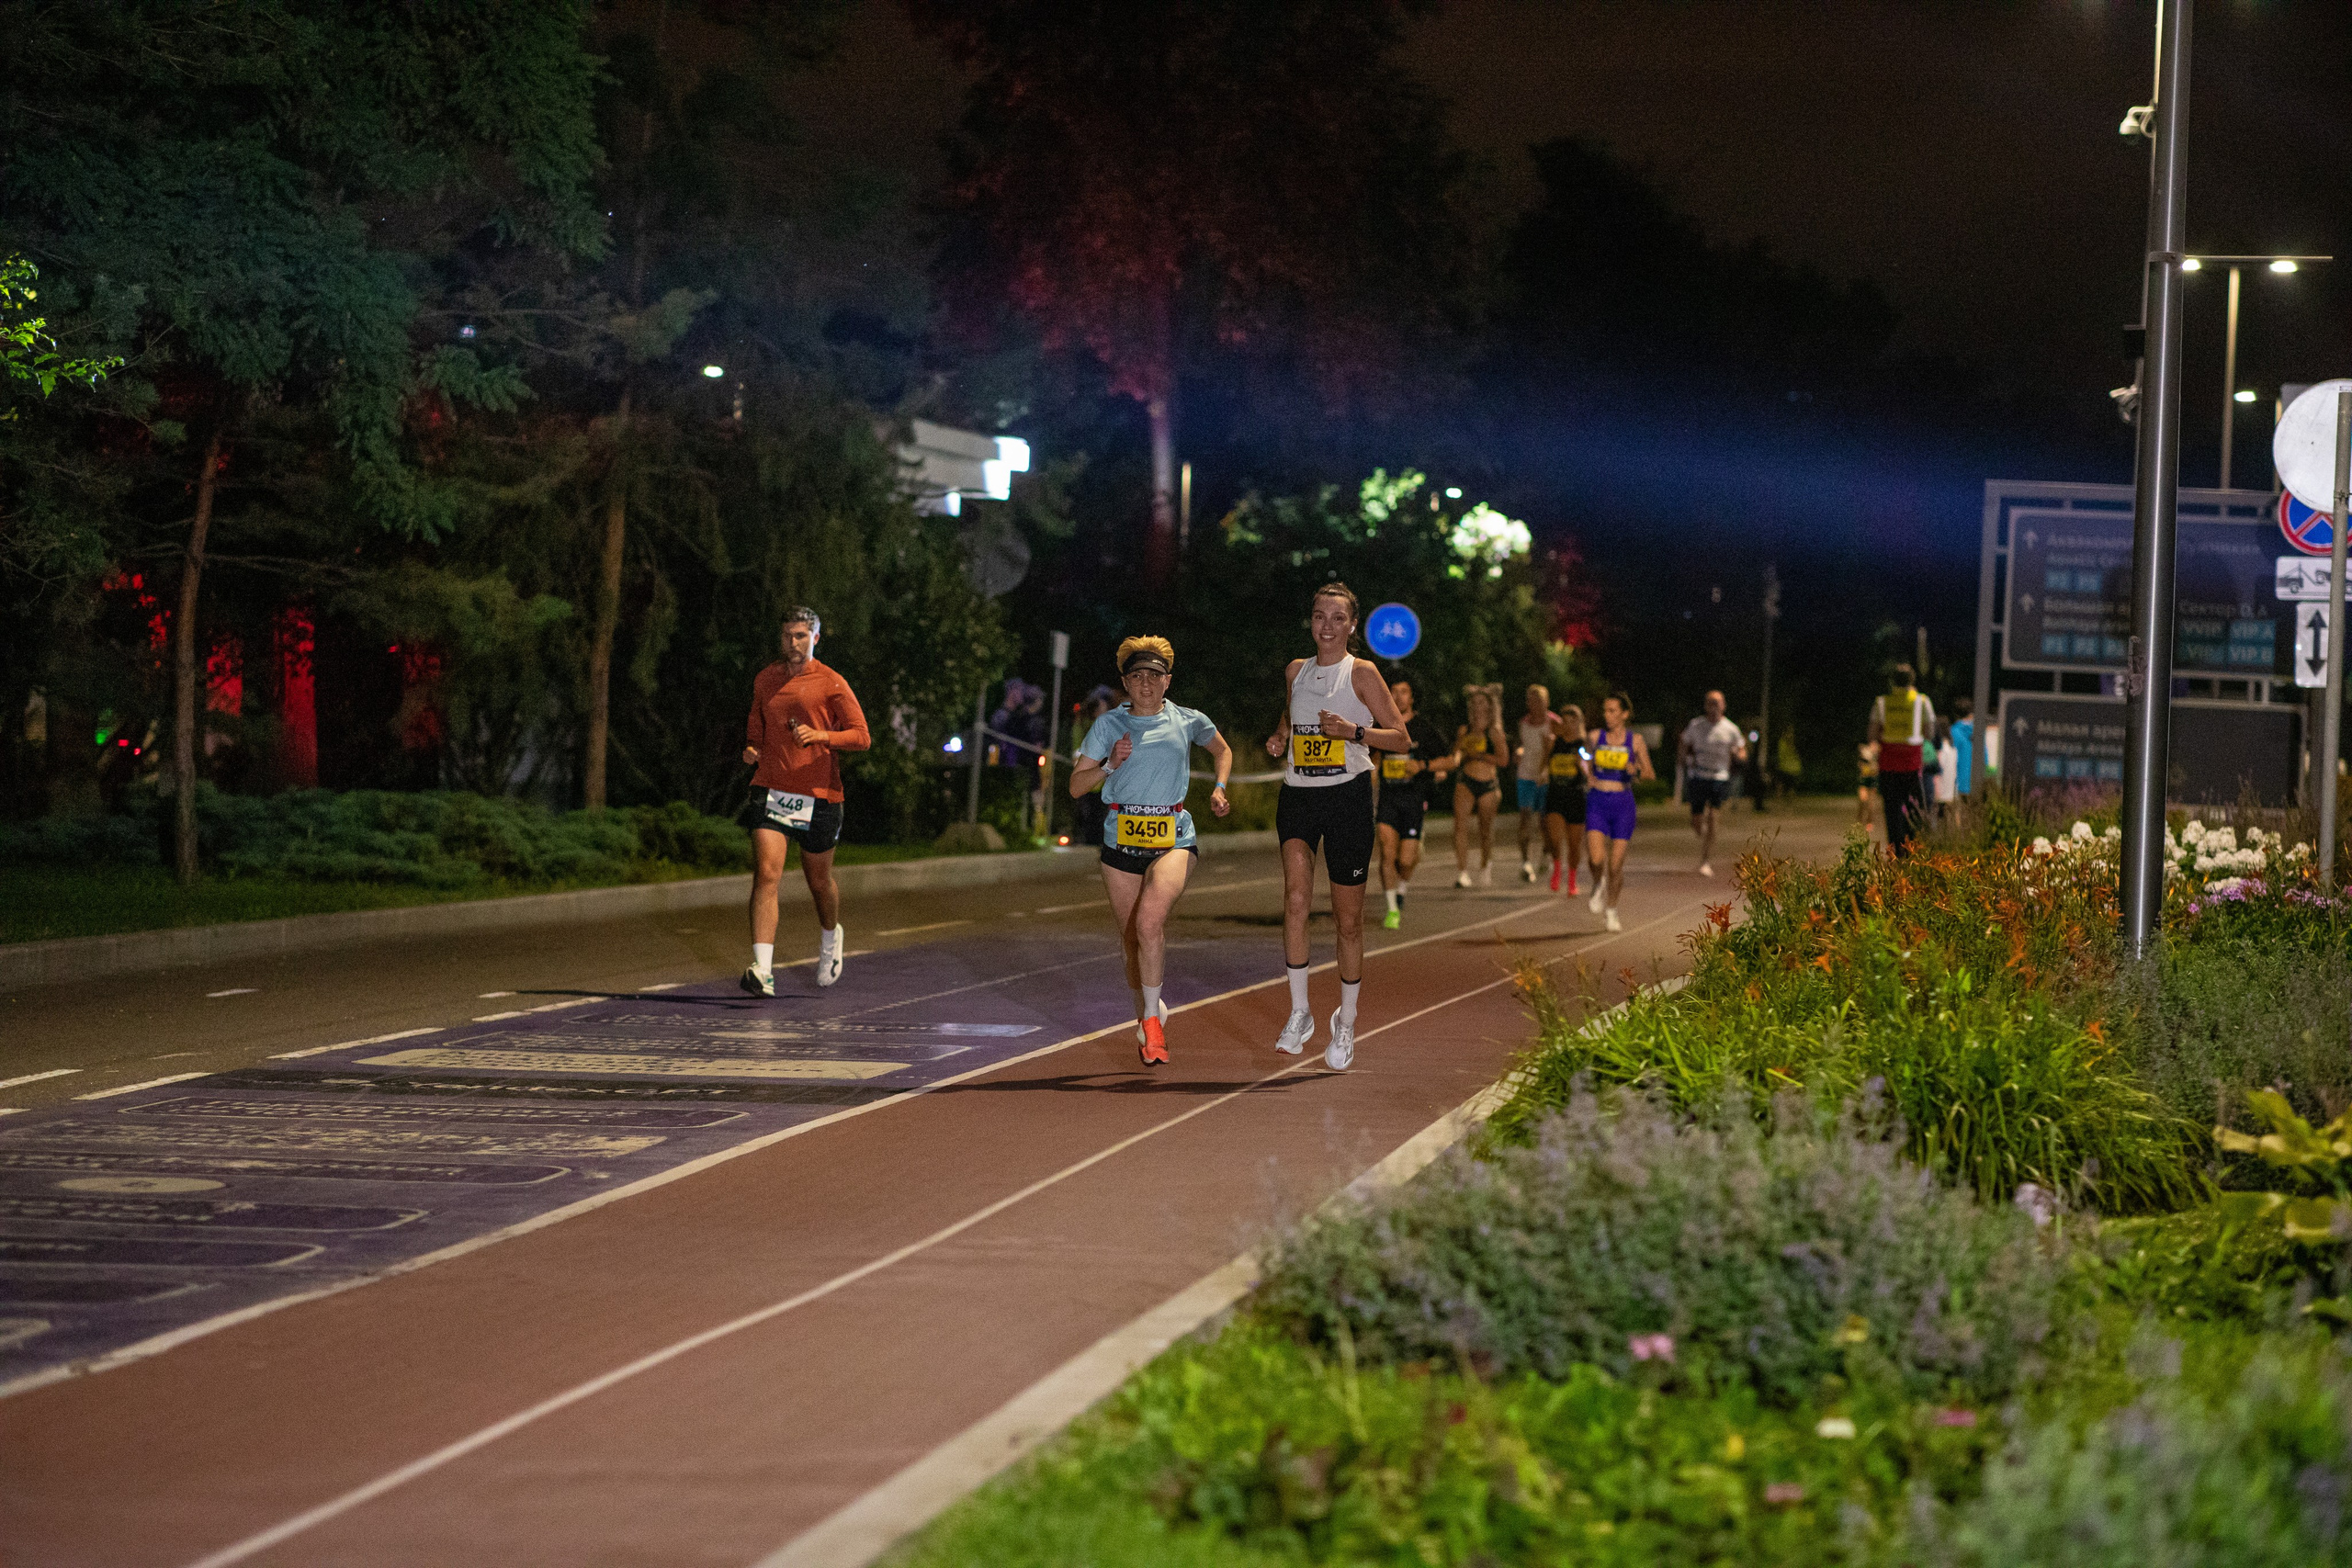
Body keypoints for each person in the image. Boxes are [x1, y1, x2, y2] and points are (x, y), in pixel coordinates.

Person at [1262, 582, 1411, 1071]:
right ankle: (1300, 1012)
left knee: (1348, 921)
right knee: (1296, 901)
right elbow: (1291, 712)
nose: (1326, 626)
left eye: (1337, 618)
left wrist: (1354, 732)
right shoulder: (1295, 671)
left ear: (1351, 626)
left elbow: (1402, 739)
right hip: (1298, 796)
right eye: (1319, 616)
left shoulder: (1362, 673)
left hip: (1347, 797)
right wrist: (1282, 734)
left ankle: (1345, 1022)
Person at [1070, 637, 1232, 1066]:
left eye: (1154, 677)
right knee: (1131, 941)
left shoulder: (1187, 720)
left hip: (1172, 837)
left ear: (1168, 682)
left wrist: (1219, 787)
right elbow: (1075, 785)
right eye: (1137, 677)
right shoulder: (1108, 727)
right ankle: (1148, 1009)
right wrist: (1108, 766)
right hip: (1120, 839)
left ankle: (1154, 1027)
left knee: (1148, 923)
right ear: (1125, 683)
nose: (1146, 684)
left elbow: (1222, 749)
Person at [741, 607, 870, 997]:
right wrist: (752, 749)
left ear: (815, 637)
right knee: (766, 874)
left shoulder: (831, 682)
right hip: (773, 790)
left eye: (800, 636)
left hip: (819, 797)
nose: (792, 644)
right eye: (786, 636)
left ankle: (831, 936)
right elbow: (755, 732)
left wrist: (822, 736)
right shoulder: (766, 679)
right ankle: (762, 970)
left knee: (818, 883)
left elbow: (862, 736)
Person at [1373, 678, 1453, 930]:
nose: (1398, 696)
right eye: (1394, 691)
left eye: (1404, 692)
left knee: (1405, 861)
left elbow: (1449, 761)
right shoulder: (1382, 725)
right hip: (1388, 800)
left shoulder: (1424, 728)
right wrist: (1371, 772)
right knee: (1387, 852)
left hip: (1414, 800)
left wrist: (1422, 766)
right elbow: (1373, 757)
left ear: (1413, 697)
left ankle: (1401, 888)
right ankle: (1392, 910)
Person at [1581, 691, 1654, 932]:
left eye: (1612, 711)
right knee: (1595, 859)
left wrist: (1634, 770)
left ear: (1624, 714)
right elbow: (1584, 756)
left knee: (1615, 865)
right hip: (1597, 802)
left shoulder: (1635, 741)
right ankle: (1597, 883)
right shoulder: (1594, 736)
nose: (1607, 715)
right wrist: (1588, 773)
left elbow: (1649, 774)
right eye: (1605, 710)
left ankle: (1611, 909)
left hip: (1622, 804)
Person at [1868, 663, 1936, 858]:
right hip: (1912, 764)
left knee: (1891, 811)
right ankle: (1911, 850)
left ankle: (1895, 851)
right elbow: (1929, 733)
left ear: (1893, 682)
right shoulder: (1922, 702)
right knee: (1914, 809)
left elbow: (1872, 734)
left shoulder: (1881, 703)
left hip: (1888, 764)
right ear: (1912, 680)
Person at [1676, 690, 1747, 878]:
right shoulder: (1697, 725)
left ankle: (1705, 860)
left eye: (1717, 703)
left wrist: (1739, 755)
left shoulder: (1730, 728)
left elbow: (1741, 748)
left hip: (1719, 777)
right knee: (1697, 821)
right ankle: (1703, 832)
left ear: (1723, 705)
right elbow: (1684, 742)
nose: (1714, 707)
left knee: (1714, 815)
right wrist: (1683, 758)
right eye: (1710, 703)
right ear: (1706, 706)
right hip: (1699, 775)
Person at [1445, 683, 1510, 888]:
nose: (1478, 706)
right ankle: (1462, 872)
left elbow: (1503, 760)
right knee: (1460, 825)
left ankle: (1486, 864)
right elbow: (1456, 753)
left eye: (1482, 702)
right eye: (1474, 702)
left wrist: (1479, 755)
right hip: (1466, 781)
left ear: (1489, 706)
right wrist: (1456, 758)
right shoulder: (1465, 730)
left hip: (1488, 784)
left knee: (1485, 829)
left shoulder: (1494, 731)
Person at [1542, 703, 1588, 895]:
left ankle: (1572, 879)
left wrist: (1582, 762)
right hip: (1556, 795)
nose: (1568, 725)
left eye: (1573, 721)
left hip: (1576, 796)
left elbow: (1587, 764)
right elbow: (1544, 762)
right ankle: (1557, 870)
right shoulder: (1554, 742)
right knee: (1554, 838)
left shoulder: (1582, 745)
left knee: (1574, 844)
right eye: (1565, 721)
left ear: (1579, 723)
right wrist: (1542, 773)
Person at [1513, 683, 1557, 882]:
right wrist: (1518, 752)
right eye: (1531, 700)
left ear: (1547, 701)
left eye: (1539, 699)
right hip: (1526, 775)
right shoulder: (1523, 723)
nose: (1535, 704)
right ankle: (1525, 862)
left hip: (1546, 777)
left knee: (1544, 821)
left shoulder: (1554, 722)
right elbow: (1520, 745)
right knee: (1525, 817)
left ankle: (1547, 854)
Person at [1070, 687, 1117, 846]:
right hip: (1087, 776)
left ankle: (1097, 840)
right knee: (1085, 811)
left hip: (1103, 778)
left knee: (1100, 811)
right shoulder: (1084, 726)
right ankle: (1085, 839)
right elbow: (1077, 747)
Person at [1946, 697, 1975, 799]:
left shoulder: (1953, 731)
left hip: (1958, 782)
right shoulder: (1979, 732)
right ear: (1971, 713)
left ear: (1956, 714)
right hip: (1977, 781)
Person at [1856, 739, 1879, 828]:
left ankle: (1870, 821)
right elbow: (1861, 764)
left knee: (1871, 803)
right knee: (1862, 801)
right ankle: (1860, 819)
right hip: (1864, 779)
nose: (1874, 746)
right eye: (1872, 744)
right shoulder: (1865, 752)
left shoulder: (1878, 754)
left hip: (1873, 780)